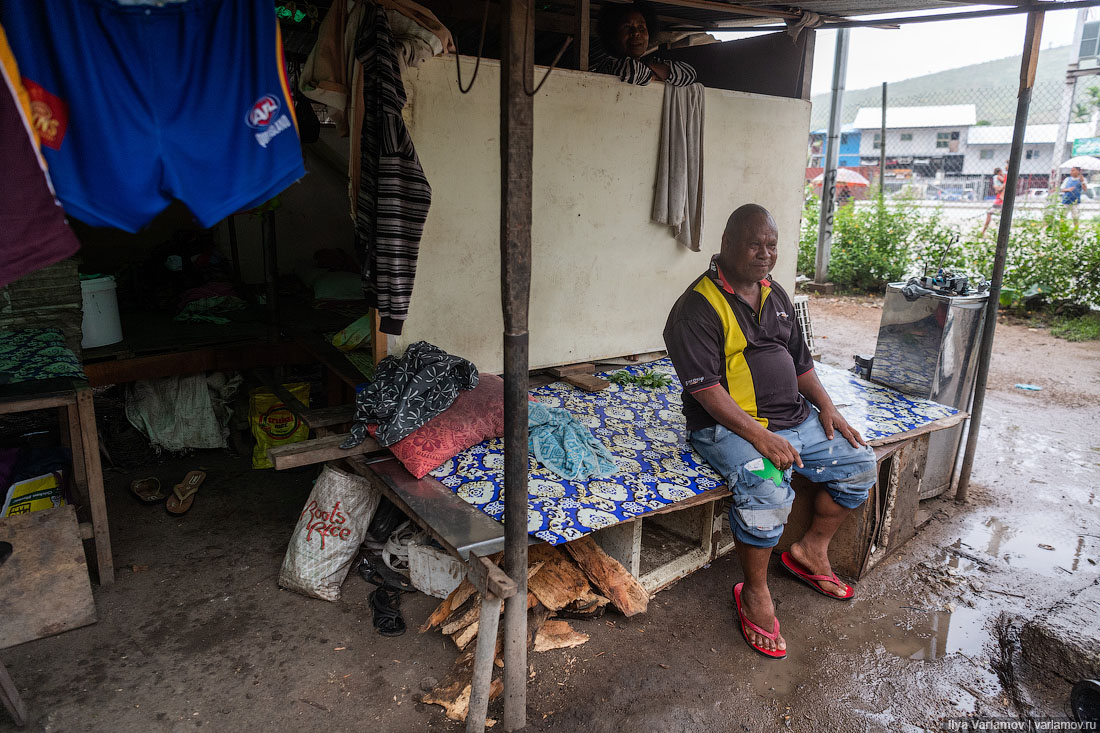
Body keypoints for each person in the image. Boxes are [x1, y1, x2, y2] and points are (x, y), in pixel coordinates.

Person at [662, 204, 877, 659]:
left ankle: (810, 551)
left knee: (859, 463)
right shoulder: (696, 307)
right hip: (728, 429)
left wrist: (829, 408)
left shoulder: (774, 293)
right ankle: (755, 589)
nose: (765, 254)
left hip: (794, 418)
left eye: (772, 245)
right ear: (726, 246)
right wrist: (759, 437)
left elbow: (801, 365)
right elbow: (706, 391)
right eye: (755, 244)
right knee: (767, 487)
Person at [589, 1, 696, 87]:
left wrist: (647, 67)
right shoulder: (608, 64)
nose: (635, 33)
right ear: (612, 35)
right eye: (627, 27)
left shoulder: (650, 62)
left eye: (641, 27)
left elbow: (689, 75)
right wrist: (660, 75)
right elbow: (631, 70)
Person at [980, 167, 1006, 237]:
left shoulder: (996, 179)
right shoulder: (998, 177)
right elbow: (1004, 181)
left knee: (990, 213)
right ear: (999, 172)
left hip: (1000, 199)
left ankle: (983, 231)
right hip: (1000, 199)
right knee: (991, 213)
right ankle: (984, 231)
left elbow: (999, 188)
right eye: (1001, 171)